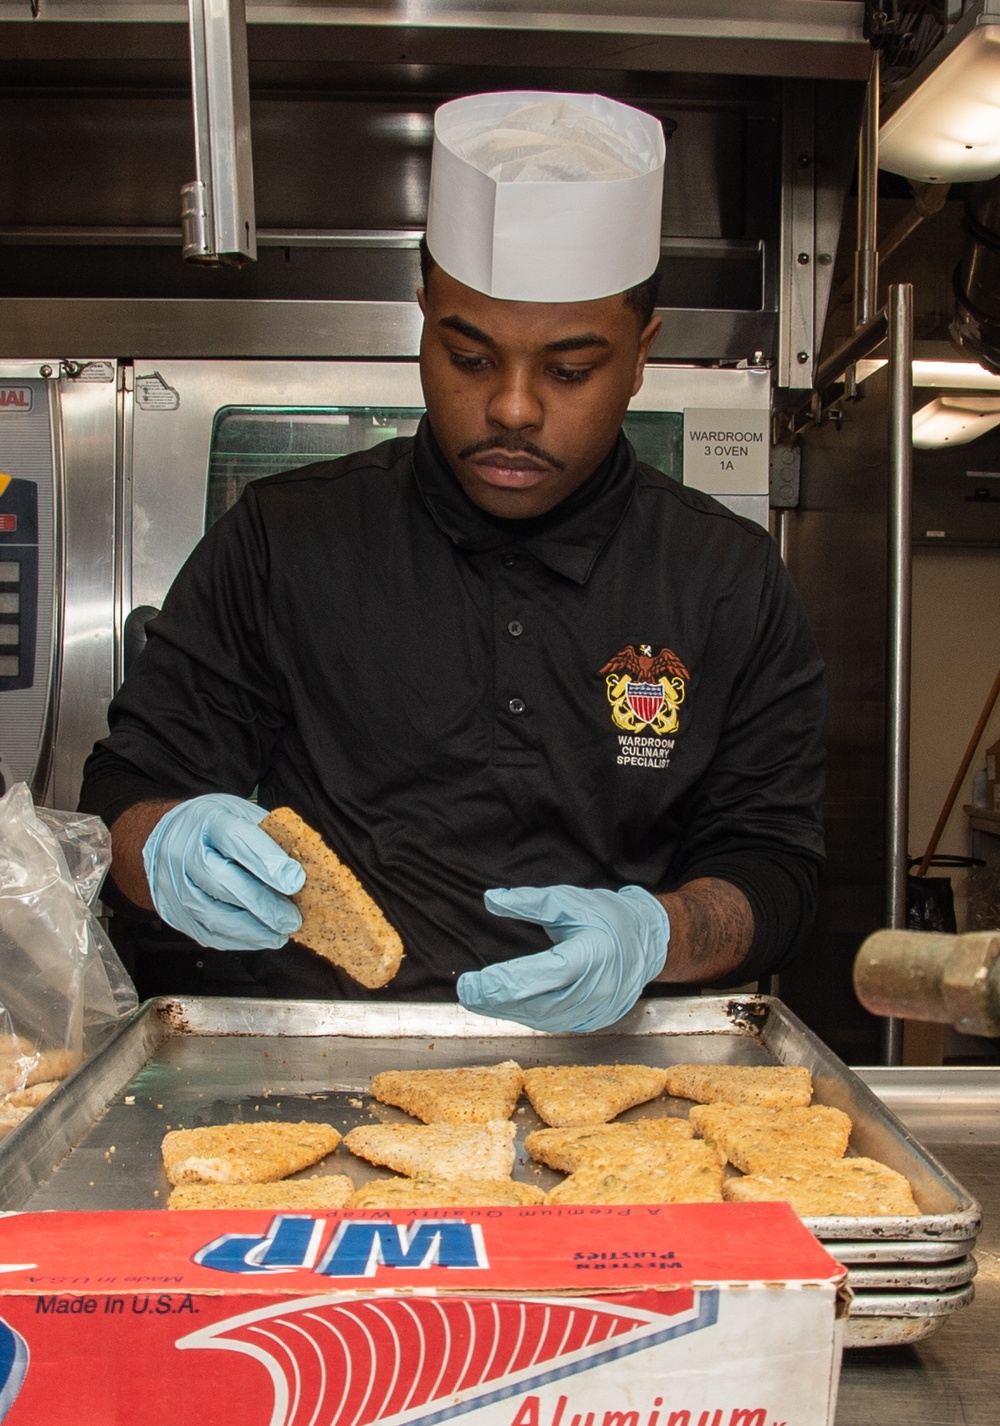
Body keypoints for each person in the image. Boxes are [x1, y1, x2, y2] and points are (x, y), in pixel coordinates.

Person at [79, 91, 825, 1033]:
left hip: (613, 1087)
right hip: (311, 1062)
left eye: (568, 370)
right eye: (469, 357)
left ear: (641, 355)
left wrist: (657, 933)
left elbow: (779, 872)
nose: (513, 408)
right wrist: (168, 848)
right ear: (424, 318)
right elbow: (121, 794)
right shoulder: (286, 540)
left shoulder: (728, 579)